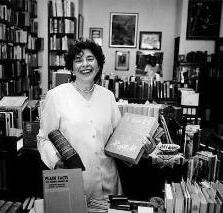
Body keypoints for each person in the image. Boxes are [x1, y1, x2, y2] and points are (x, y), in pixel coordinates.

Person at [37, 38, 153, 200]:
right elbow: (43, 139)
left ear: (98, 66)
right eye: (78, 60)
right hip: (75, 182)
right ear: (71, 68)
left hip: (109, 182)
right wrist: (56, 162)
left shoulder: (108, 96)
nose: (85, 64)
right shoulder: (56, 96)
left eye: (90, 59)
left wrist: (139, 147)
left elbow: (119, 139)